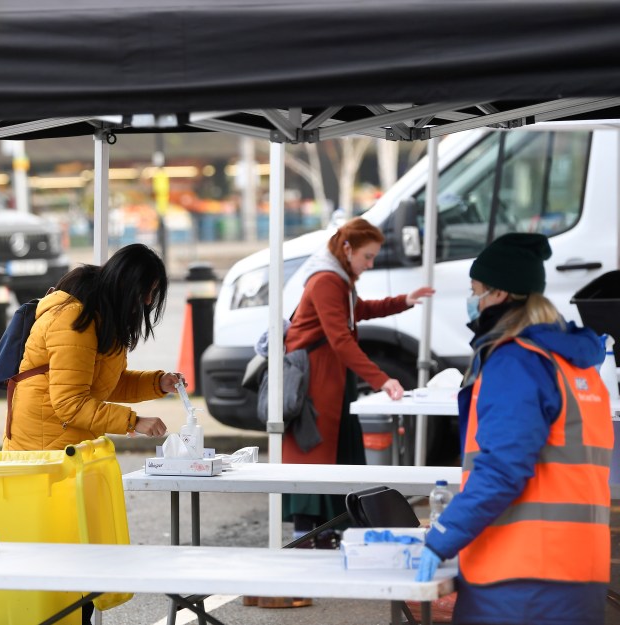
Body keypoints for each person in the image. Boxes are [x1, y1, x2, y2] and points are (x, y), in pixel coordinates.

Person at [415, 233, 611, 625]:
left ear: (499, 293)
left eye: (475, 291)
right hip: (579, 573)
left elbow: (503, 469)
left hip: (519, 580)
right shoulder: (578, 366)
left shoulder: (517, 362)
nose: (472, 302)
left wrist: (442, 537)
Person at [260, 218, 433, 609]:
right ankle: (308, 555)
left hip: (326, 383)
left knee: (327, 467)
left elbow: (355, 314)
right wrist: (381, 379)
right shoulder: (326, 280)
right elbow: (340, 337)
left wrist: (402, 300)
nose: (371, 263)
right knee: (314, 469)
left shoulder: (337, 278)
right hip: (314, 386)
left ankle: (320, 548)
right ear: (348, 250)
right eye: (368, 256)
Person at [4, 244, 175, 452]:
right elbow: (70, 403)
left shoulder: (101, 316)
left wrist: (159, 383)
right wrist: (133, 421)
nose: (148, 301)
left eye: (153, 292)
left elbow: (105, 383)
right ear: (123, 283)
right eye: (145, 290)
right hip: (44, 447)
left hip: (69, 443)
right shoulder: (73, 320)